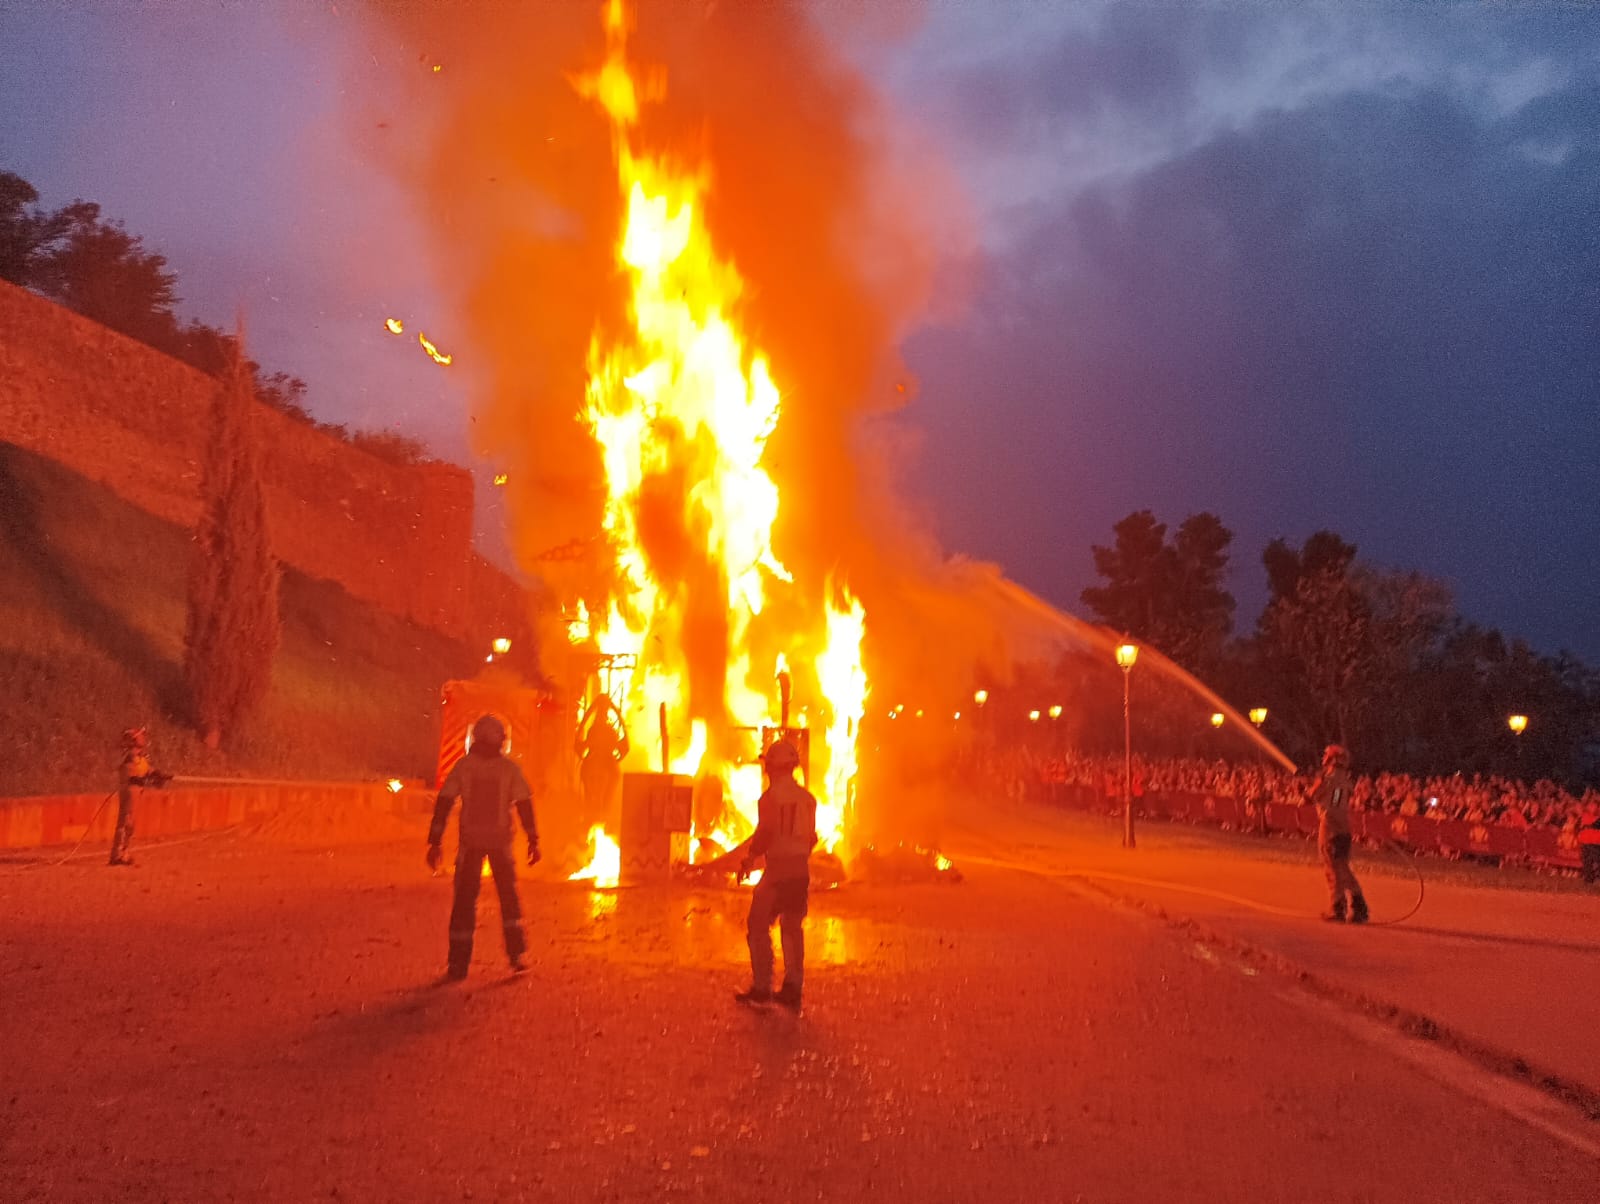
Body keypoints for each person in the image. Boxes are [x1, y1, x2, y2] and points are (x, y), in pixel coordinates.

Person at [427, 714, 540, 980]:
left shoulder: (464, 767)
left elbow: (443, 804)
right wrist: (533, 840)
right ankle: (517, 955)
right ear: (501, 739)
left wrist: (434, 842)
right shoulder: (509, 770)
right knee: (508, 900)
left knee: (464, 903)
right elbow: (525, 805)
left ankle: (458, 964)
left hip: (471, 845)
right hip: (500, 845)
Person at [735, 739, 818, 1011]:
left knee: (758, 924)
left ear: (774, 768)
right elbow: (812, 837)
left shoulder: (769, 799)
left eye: (769, 766)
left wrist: (749, 859)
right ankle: (793, 987)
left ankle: (762, 987)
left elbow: (766, 833)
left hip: (778, 871)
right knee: (792, 928)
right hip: (800, 872)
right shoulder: (808, 799)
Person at [1311, 744, 1368, 923]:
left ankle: (1338, 907)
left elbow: (1315, 795)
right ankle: (1358, 905)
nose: (1324, 758)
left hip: (1330, 826)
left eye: (1326, 755)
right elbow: (1336, 800)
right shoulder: (1345, 779)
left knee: (1333, 868)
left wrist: (1314, 785)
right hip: (1342, 826)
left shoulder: (1329, 778)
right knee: (1342, 867)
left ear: (1333, 759)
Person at [110, 727, 165, 866]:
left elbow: (147, 770)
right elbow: (132, 775)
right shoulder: (127, 759)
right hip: (129, 793)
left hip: (137, 792)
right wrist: (145, 778)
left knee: (131, 825)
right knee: (125, 822)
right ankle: (117, 855)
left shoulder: (141, 759)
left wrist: (158, 775)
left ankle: (124, 852)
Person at [575, 694, 629, 816]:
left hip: (593, 761)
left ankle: (594, 809)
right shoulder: (604, 732)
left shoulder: (594, 731)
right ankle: (605, 808)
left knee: (595, 780)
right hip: (605, 762)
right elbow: (625, 747)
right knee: (614, 777)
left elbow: (578, 745)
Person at [1578, 801, 1600, 885]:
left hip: (1595, 842)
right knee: (1586, 861)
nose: (1592, 808)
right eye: (1590, 806)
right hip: (1585, 841)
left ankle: (1597, 877)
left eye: (1594, 806)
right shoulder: (1585, 816)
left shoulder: (1597, 818)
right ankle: (1588, 879)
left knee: (1597, 860)